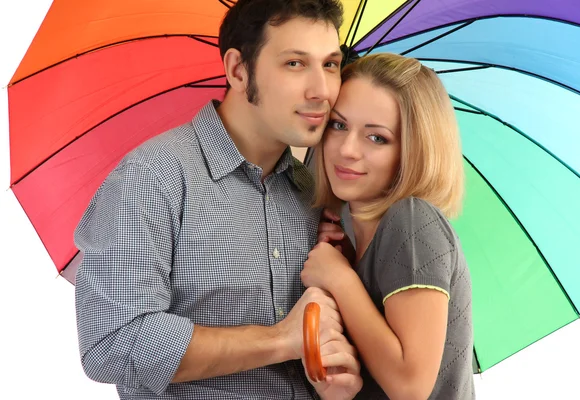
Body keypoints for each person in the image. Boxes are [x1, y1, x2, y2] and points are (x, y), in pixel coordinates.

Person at [73, 0, 363, 399]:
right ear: (238, 70)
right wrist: (282, 339)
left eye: (330, 64)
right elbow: (113, 344)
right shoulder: (153, 176)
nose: (322, 91)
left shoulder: (312, 195)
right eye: (295, 63)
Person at [301, 53, 476, 399]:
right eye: (338, 125)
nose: (347, 149)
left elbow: (410, 387)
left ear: (413, 150)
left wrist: (338, 277)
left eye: (376, 138)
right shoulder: (356, 239)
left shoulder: (411, 220)